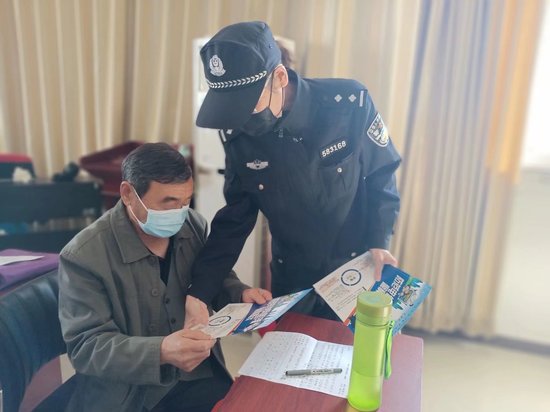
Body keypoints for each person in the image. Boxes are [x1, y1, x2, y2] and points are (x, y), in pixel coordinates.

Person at [189, 21, 401, 321]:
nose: (240, 119)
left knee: (354, 349)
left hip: (356, 267)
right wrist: (200, 291)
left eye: (247, 103)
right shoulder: (238, 136)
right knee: (290, 349)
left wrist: (379, 239)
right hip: (292, 278)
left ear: (279, 77)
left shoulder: (348, 104)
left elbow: (382, 173)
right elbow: (235, 218)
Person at [58, 143, 270, 412]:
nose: (179, 213)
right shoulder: (84, 256)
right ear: (128, 194)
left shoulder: (192, 224)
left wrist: (238, 293)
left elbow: (209, 276)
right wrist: (161, 351)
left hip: (198, 375)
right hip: (132, 395)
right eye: (168, 203)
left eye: (186, 201)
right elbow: (86, 347)